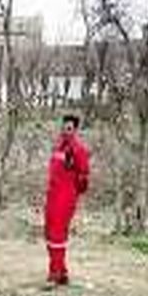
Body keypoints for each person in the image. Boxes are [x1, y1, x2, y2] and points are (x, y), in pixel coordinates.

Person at [43, 114, 91, 286]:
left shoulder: (79, 150)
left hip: (65, 197)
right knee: (49, 232)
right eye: (63, 128)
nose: (65, 131)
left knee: (57, 233)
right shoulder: (58, 148)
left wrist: (73, 193)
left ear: (75, 130)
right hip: (52, 195)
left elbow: (84, 177)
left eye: (69, 128)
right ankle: (62, 272)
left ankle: (55, 273)